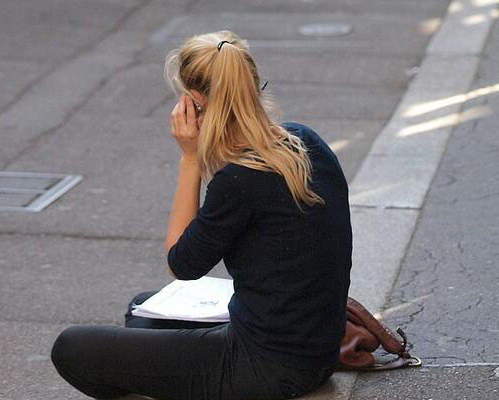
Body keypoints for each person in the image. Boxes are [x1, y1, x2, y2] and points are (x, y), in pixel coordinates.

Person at [49, 30, 353, 400]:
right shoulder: (305, 140)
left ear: (194, 102)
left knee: (72, 348)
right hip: (316, 352)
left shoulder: (240, 179)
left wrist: (190, 159)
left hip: (268, 366)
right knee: (142, 310)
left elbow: (182, 265)